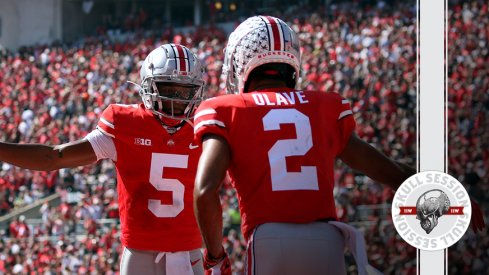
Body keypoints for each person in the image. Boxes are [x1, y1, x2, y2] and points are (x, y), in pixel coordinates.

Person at [192, 16, 486, 275]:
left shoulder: (226, 108)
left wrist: (215, 256)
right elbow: (387, 170)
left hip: (271, 240)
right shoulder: (324, 105)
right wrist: (447, 194)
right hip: (327, 240)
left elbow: (205, 191)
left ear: (240, 61)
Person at [0, 44, 206, 275]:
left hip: (190, 252)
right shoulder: (125, 124)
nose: (175, 100)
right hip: (142, 254)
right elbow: (54, 156)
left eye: (184, 91)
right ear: (148, 85)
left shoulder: (205, 126)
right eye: (168, 88)